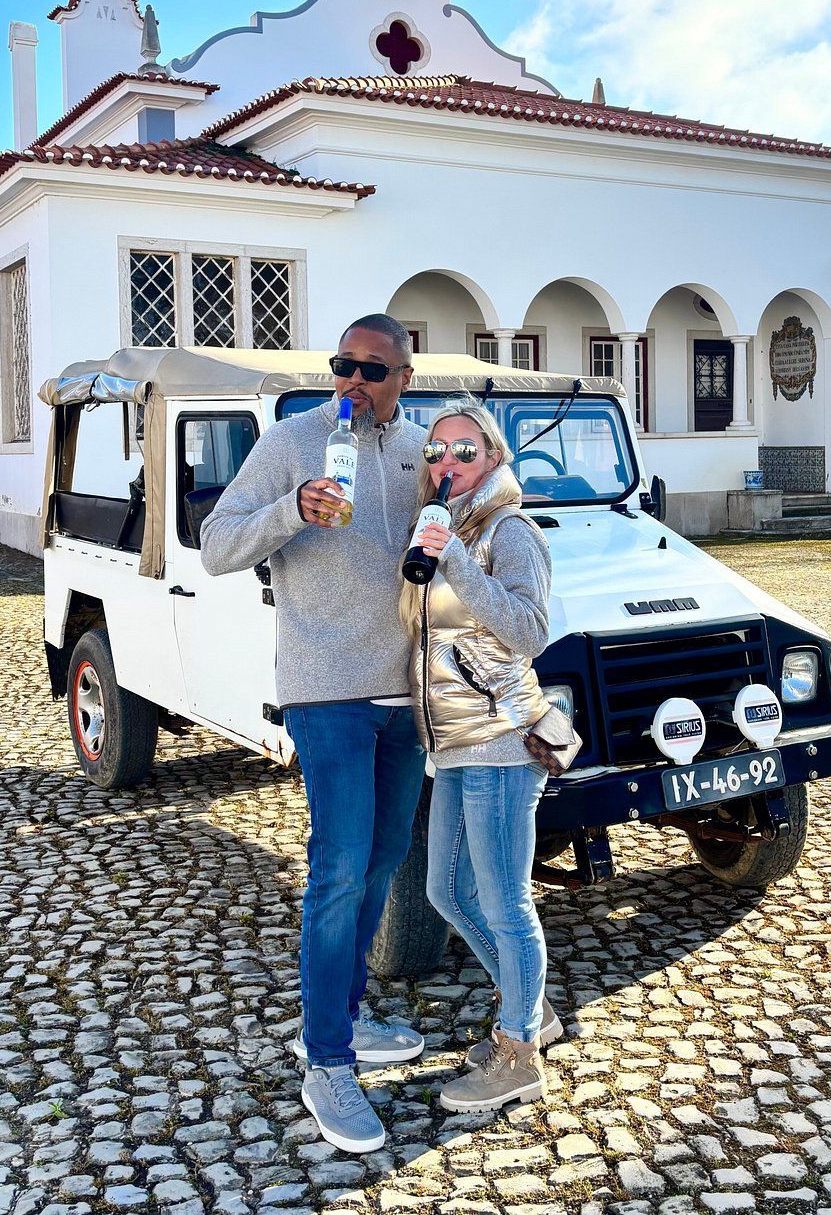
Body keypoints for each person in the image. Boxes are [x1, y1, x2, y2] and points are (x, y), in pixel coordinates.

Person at [200, 315, 426, 1154]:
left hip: (407, 694)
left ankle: (346, 1013)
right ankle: (325, 1057)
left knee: (382, 857)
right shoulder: (296, 439)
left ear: (405, 375)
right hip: (325, 688)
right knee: (337, 864)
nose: (354, 382)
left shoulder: (417, 450)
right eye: (343, 366)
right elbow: (217, 541)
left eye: (373, 369)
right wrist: (291, 509)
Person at [400, 397, 564, 1113]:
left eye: (466, 450)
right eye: (436, 452)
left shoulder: (509, 530)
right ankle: (531, 1007)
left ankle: (519, 1051)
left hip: (502, 740)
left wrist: (459, 563)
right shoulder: (441, 527)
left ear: (495, 458)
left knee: (504, 903)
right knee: (446, 892)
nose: (449, 462)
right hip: (454, 742)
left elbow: (529, 630)